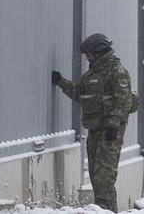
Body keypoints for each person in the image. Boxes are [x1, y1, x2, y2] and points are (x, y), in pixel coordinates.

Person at [51, 33, 133, 212]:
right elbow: (80, 94)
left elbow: (124, 101)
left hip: (111, 132)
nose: (87, 58)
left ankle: (108, 211)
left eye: (89, 54)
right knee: (96, 176)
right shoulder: (91, 75)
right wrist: (60, 82)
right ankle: (103, 210)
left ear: (100, 52)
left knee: (105, 178)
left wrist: (114, 124)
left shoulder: (116, 71)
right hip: (95, 130)